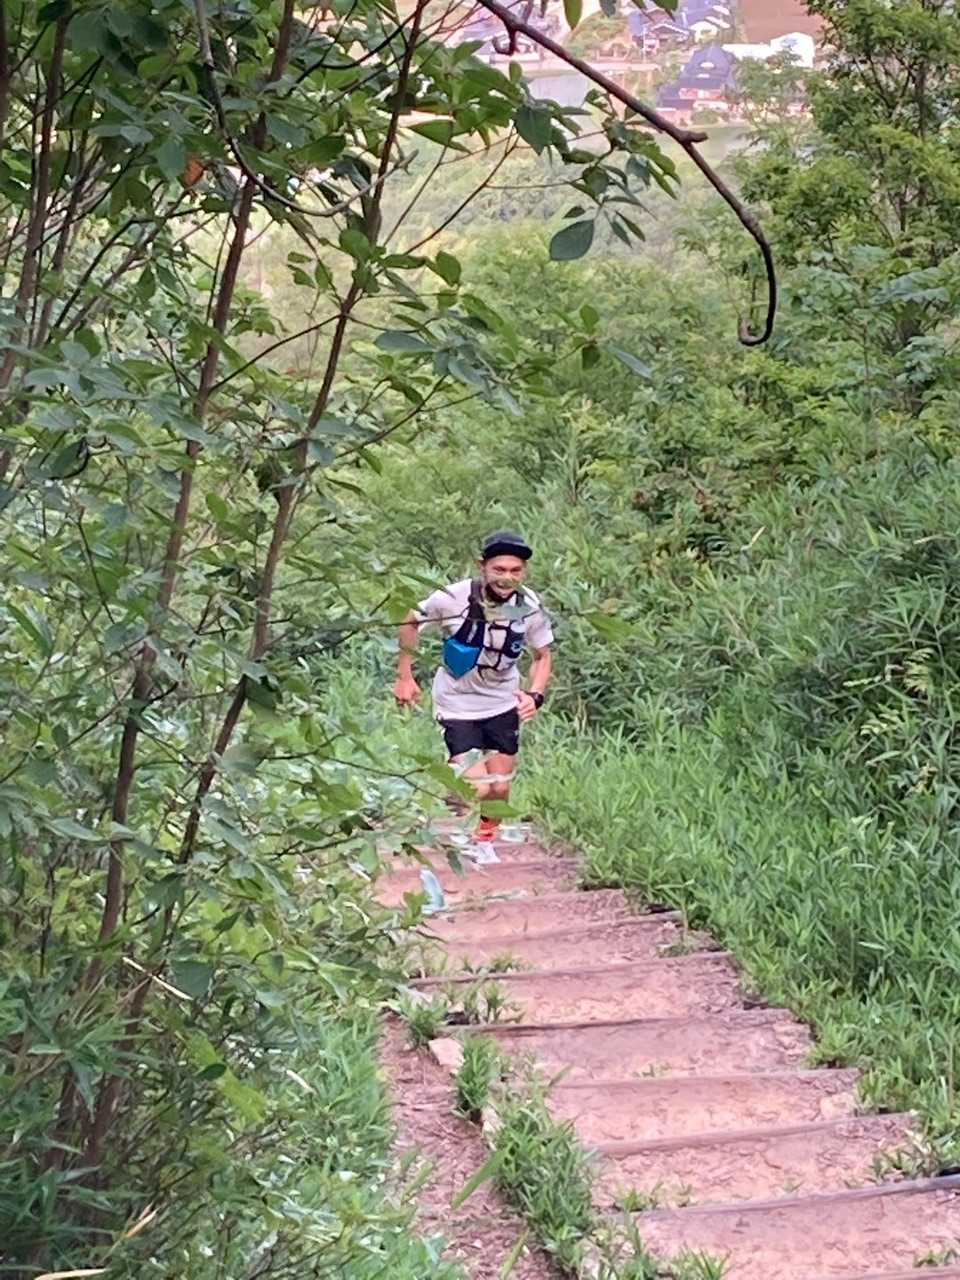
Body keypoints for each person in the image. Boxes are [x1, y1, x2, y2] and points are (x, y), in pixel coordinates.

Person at [394, 529, 553, 862]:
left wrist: (534, 696)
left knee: (500, 785)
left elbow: (542, 656)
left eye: (515, 571)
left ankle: (484, 841)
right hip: (457, 702)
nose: (507, 578)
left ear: (524, 572)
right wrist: (405, 676)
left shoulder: (527, 606)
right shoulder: (453, 598)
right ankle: (455, 784)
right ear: (482, 567)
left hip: (502, 701)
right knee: (477, 787)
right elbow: (410, 620)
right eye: (499, 569)